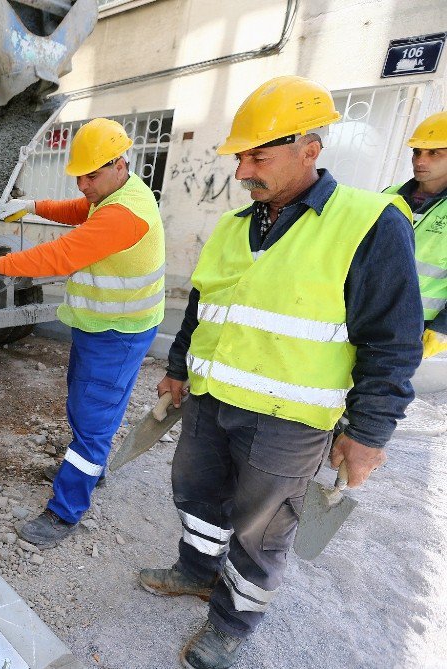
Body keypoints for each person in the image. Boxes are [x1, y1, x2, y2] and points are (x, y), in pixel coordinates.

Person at [140, 76, 424, 669]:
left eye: (257, 156)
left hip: (289, 421)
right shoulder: (235, 226)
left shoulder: (370, 223)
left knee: (260, 530)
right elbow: (202, 307)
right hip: (211, 401)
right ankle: (196, 571)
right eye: (240, 156)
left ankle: (232, 623)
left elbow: (391, 341)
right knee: (195, 493)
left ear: (310, 149)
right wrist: (177, 369)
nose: (243, 170)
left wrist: (368, 433)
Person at [0, 118, 166, 549]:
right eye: (80, 175)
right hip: (103, 328)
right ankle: (93, 467)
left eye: (90, 175)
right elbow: (78, 211)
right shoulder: (116, 194)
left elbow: (63, 255)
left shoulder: (124, 215)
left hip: (117, 334)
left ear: (119, 163)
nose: (83, 184)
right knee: (84, 405)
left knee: (92, 422)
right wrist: (34, 205)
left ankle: (64, 512)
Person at [382, 110, 447, 359]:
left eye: (434, 153)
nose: (420, 161)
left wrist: (442, 328)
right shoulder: (390, 195)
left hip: (415, 325)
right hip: (366, 310)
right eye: (417, 152)